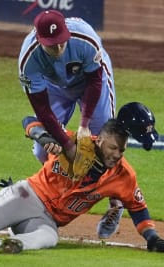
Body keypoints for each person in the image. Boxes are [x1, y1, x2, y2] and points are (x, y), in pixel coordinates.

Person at [0, 102, 164, 254]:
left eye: (123, 150)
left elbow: (138, 208)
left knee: (48, 238)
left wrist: (152, 238)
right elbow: (30, 119)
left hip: (47, 219)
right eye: (113, 148)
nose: (118, 154)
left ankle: (6, 245)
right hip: (27, 196)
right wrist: (44, 136)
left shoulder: (123, 175)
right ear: (103, 138)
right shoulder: (73, 142)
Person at [18, 9, 121, 238]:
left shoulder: (85, 38)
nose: (57, 49)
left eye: (60, 43)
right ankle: (54, 199)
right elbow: (41, 109)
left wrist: (84, 125)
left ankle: (116, 204)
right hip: (54, 87)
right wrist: (67, 144)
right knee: (40, 149)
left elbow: (95, 80)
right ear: (39, 40)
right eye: (50, 45)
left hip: (90, 83)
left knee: (107, 143)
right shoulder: (29, 59)